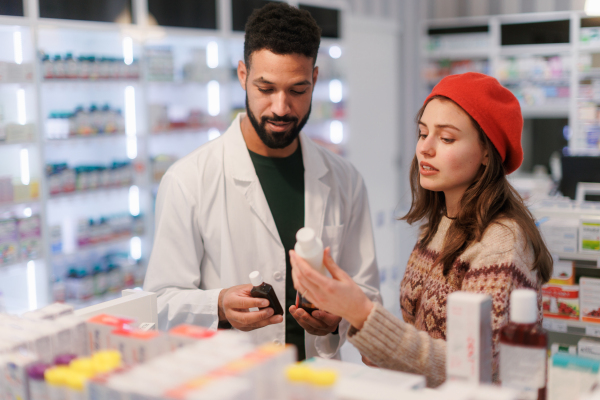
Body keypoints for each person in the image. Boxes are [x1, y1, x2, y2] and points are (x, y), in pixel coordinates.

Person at [143, 2, 381, 361]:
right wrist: (219, 304)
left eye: (298, 90)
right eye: (265, 88)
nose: (281, 108)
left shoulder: (345, 180)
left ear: (315, 79)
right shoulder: (188, 179)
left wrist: (338, 319)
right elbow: (159, 301)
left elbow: (367, 295)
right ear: (242, 75)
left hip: (317, 380)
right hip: (232, 380)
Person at [290, 72, 552, 385]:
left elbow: (472, 365)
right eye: (422, 133)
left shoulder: (501, 243)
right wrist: (345, 315)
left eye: (446, 138)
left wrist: (362, 313)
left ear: (486, 152)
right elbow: (419, 336)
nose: (425, 149)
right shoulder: (442, 222)